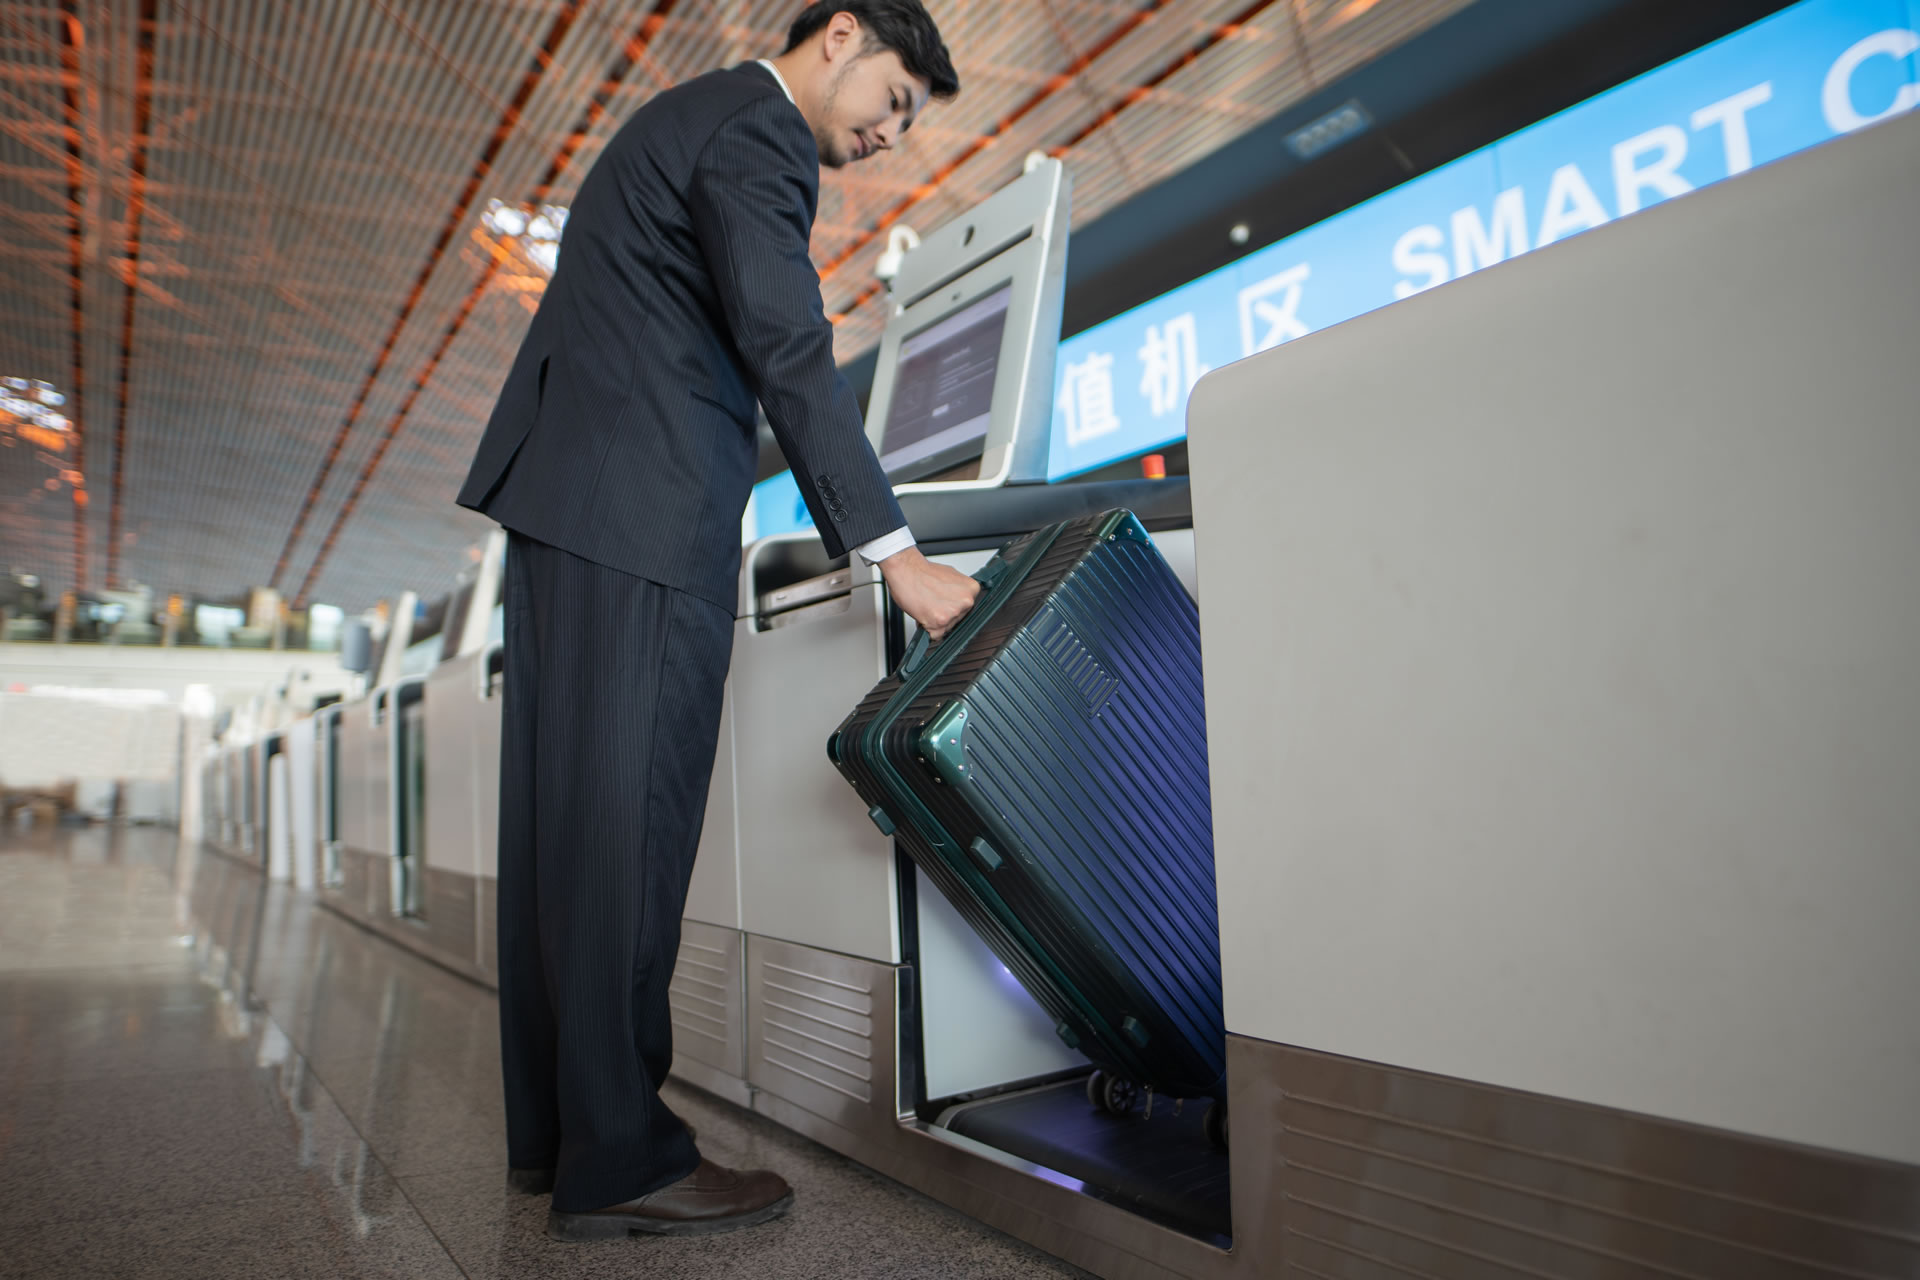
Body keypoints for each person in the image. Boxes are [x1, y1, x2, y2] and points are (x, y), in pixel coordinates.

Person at [455, 0, 980, 1245]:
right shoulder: (757, 133)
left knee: (568, 833)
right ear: (842, 36)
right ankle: (624, 1158)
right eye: (896, 99)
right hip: (637, 509)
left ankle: (563, 1137)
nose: (891, 134)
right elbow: (786, 346)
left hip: (577, 503)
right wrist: (895, 552)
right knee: (626, 829)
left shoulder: (688, 117)